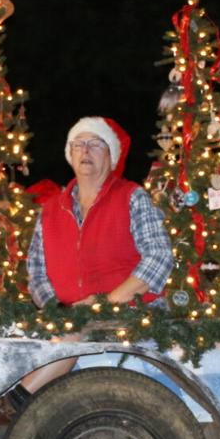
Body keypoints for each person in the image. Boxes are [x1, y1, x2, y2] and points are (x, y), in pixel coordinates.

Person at [27, 116, 173, 307]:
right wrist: (61, 312)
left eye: (95, 144)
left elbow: (159, 256)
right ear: (70, 155)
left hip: (134, 314)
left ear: (111, 157)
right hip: (71, 320)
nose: (85, 150)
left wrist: (105, 303)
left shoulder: (132, 197)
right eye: (78, 144)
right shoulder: (50, 209)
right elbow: (36, 273)